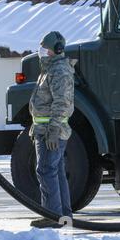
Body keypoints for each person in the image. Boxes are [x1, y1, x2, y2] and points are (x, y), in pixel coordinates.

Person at [29, 31, 75, 229]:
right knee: (56, 171)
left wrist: (53, 129)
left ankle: (52, 215)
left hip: (51, 131)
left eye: (45, 49)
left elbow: (61, 102)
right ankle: (63, 214)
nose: (42, 52)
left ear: (55, 50)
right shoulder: (50, 69)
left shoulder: (59, 71)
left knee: (46, 170)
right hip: (46, 129)